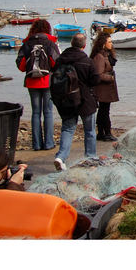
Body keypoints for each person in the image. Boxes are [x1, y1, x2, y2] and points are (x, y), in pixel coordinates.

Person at [52, 33, 100, 171]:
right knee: (89, 130)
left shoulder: (61, 60)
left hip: (66, 100)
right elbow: (95, 80)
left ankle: (61, 157)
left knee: (67, 128)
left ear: (71, 43)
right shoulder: (86, 61)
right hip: (85, 100)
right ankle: (90, 158)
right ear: (84, 46)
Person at [15, 19, 61, 151]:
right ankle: (49, 143)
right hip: (47, 81)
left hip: (31, 81)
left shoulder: (27, 43)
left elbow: (21, 66)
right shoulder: (50, 43)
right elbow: (56, 63)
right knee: (48, 112)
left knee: (35, 113)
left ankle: (36, 144)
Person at [90, 31, 119, 141]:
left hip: (107, 88)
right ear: (103, 43)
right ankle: (105, 133)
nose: (111, 44)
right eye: (109, 42)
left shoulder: (106, 55)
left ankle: (103, 132)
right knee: (104, 111)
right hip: (103, 89)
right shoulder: (100, 57)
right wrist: (110, 78)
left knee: (104, 110)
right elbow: (98, 74)